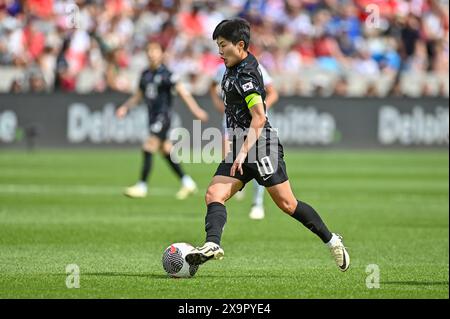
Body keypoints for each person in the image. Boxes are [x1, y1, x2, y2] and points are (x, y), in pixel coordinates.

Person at [186, 19, 350, 272]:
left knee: (288, 205)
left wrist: (241, 152)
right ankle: (212, 245)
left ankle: (332, 240)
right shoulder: (232, 65)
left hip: (262, 146)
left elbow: (259, 117)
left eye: (222, 45)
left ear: (240, 45)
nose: (219, 51)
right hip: (242, 144)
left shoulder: (248, 75)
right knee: (213, 195)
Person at [116, 41, 209, 200]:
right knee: (166, 151)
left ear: (161, 54)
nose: (152, 54)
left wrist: (196, 110)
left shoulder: (167, 74)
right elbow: (138, 96)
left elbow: (183, 92)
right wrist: (125, 107)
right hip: (151, 117)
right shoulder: (145, 74)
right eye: (149, 51)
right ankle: (188, 183)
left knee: (148, 146)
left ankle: (142, 185)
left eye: (155, 50)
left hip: (163, 117)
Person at [209, 61, 279, 220]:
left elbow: (273, 92)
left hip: (252, 124)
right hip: (229, 124)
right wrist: (218, 103)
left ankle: (257, 203)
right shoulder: (222, 69)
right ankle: (228, 195)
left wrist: (260, 108)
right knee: (227, 159)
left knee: (256, 163)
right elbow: (212, 86)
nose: (222, 51)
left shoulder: (256, 67)